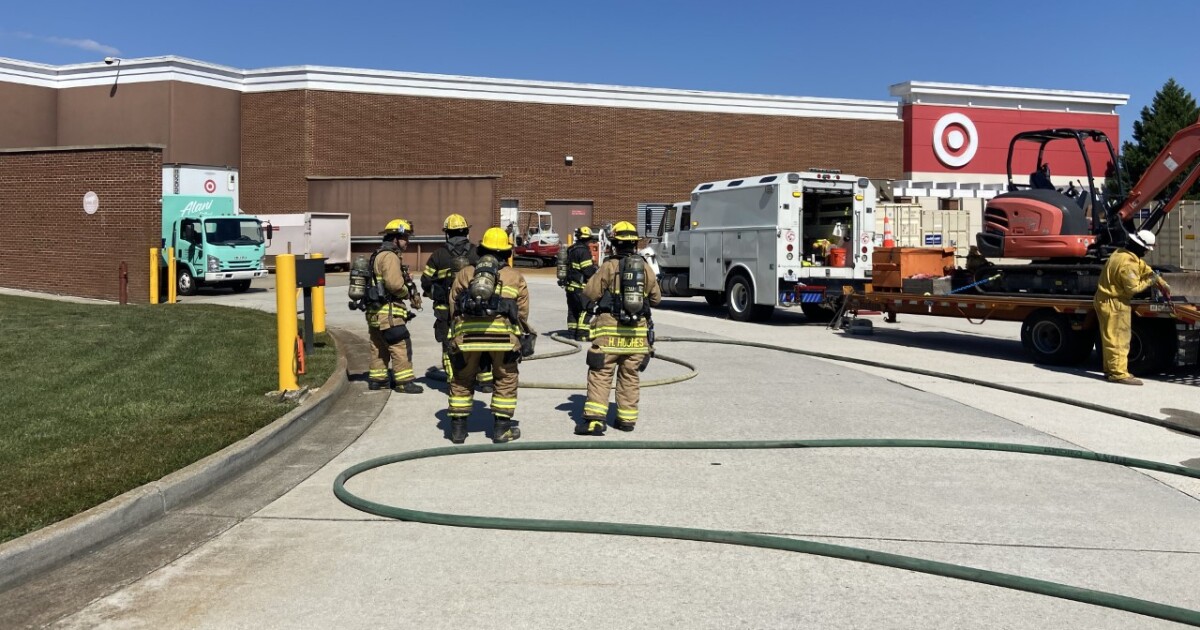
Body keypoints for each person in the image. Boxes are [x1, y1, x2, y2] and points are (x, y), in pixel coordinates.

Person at [445, 227, 533, 444]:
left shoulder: (465, 273)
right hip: (503, 341)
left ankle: (458, 431)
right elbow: (522, 314)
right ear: (506, 252)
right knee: (505, 379)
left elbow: (453, 306)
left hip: (466, 338)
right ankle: (502, 430)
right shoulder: (515, 277)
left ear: (482, 249)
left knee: (462, 378)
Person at [578, 221, 662, 435]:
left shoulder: (609, 266)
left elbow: (590, 293)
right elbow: (656, 299)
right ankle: (626, 420)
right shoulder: (645, 268)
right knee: (630, 376)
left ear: (614, 244)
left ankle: (595, 421)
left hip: (609, 333)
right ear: (635, 244)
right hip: (637, 335)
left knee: (601, 373)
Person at [421, 213, 493, 393]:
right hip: (474, 309)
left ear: (447, 233)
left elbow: (425, 282)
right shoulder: (477, 252)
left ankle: (454, 382)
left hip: (446, 311)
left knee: (450, 346)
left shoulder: (438, 255)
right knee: (479, 342)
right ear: (466, 232)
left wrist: (435, 293)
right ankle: (485, 381)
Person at [1094, 229, 1170, 386]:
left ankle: (1111, 370)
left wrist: (1160, 282)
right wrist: (1151, 281)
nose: (1146, 253)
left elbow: (1143, 267)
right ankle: (1119, 374)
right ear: (1139, 247)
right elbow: (1133, 289)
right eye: (1146, 249)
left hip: (1106, 300)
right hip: (1115, 303)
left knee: (1110, 338)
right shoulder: (1128, 264)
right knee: (1119, 340)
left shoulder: (1120, 253)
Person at [365, 219, 423, 394]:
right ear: (395, 238)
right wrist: (407, 292)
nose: (408, 241)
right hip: (389, 313)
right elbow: (394, 285)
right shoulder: (390, 256)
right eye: (405, 237)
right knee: (400, 344)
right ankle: (404, 382)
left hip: (375, 313)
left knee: (379, 346)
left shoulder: (378, 254)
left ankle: (378, 380)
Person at [561, 226, 598, 341]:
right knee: (586, 309)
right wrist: (596, 271)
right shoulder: (584, 251)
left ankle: (572, 333)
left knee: (573, 310)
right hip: (580, 287)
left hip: (570, 287)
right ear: (587, 239)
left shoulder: (571, 249)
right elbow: (587, 271)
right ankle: (582, 334)